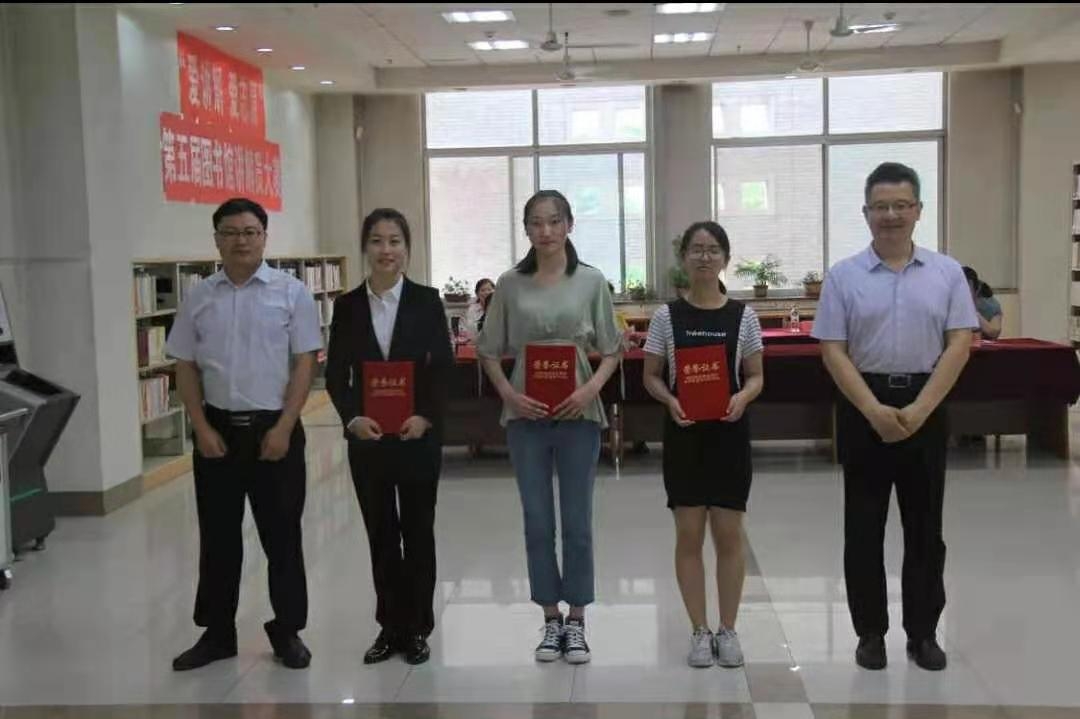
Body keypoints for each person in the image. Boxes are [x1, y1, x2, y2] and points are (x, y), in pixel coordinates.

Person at [812, 163, 978, 672]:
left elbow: (959, 344)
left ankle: (922, 633)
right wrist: (873, 410)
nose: (891, 215)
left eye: (901, 205)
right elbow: (833, 350)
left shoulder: (947, 273)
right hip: (865, 405)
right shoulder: (844, 276)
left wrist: (920, 409)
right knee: (863, 526)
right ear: (866, 213)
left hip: (926, 402)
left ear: (918, 211)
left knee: (926, 527)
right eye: (881, 206)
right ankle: (870, 633)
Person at [167, 197, 322, 671]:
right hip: (216, 432)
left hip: (274, 431)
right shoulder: (199, 296)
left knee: (282, 537)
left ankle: (287, 630)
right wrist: (200, 426)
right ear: (216, 239)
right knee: (218, 538)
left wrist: (285, 426)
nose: (241, 241)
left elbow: (305, 363)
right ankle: (217, 633)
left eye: (250, 232)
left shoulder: (291, 292)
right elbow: (185, 365)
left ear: (264, 237)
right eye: (231, 232)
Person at [477, 190, 622, 664]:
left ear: (569, 225)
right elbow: (488, 350)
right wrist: (509, 395)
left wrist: (589, 390)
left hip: (579, 415)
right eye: (536, 223)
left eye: (554, 221)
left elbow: (613, 349)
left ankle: (577, 619)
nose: (546, 231)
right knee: (537, 520)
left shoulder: (591, 281)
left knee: (577, 521)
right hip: (527, 417)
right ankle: (549, 618)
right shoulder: (510, 284)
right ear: (526, 229)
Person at [325, 208, 454, 666]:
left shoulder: (426, 300)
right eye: (377, 241)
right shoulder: (347, 306)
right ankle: (389, 626)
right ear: (366, 247)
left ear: (407, 248)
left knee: (418, 532)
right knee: (380, 533)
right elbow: (335, 374)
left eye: (395, 241)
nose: (386, 250)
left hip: (417, 438)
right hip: (370, 440)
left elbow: (443, 369)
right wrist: (351, 418)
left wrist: (426, 416)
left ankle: (417, 627)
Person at [641, 221, 763, 668]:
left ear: (725, 258)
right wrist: (670, 400)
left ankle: (728, 630)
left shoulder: (743, 316)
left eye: (713, 250)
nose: (705, 257)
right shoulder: (666, 317)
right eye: (696, 249)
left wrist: (742, 398)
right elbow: (651, 375)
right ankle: (699, 630)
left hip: (730, 435)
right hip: (685, 436)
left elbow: (756, 376)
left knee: (729, 536)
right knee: (689, 534)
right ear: (684, 258)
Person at [962, 266, 1003, 340]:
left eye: (967, 291)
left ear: (977, 291)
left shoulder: (989, 305)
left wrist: (974, 314)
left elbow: (994, 332)